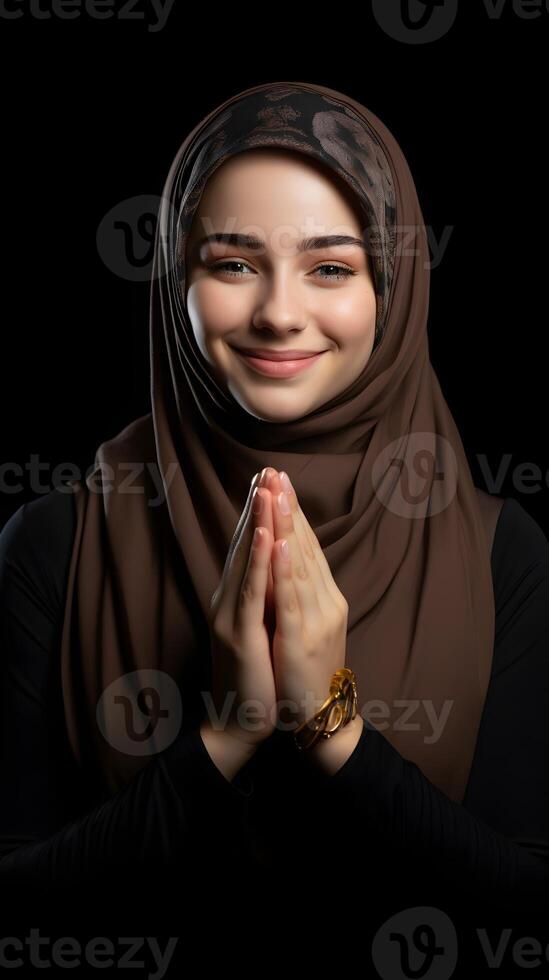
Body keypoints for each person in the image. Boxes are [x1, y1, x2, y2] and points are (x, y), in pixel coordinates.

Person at [1, 81, 548, 963]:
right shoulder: (57, 541)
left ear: (393, 288)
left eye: (331, 267)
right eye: (231, 263)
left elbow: (525, 904)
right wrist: (228, 734)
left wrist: (327, 726)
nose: (278, 313)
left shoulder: (497, 554)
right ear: (175, 277)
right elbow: (16, 900)